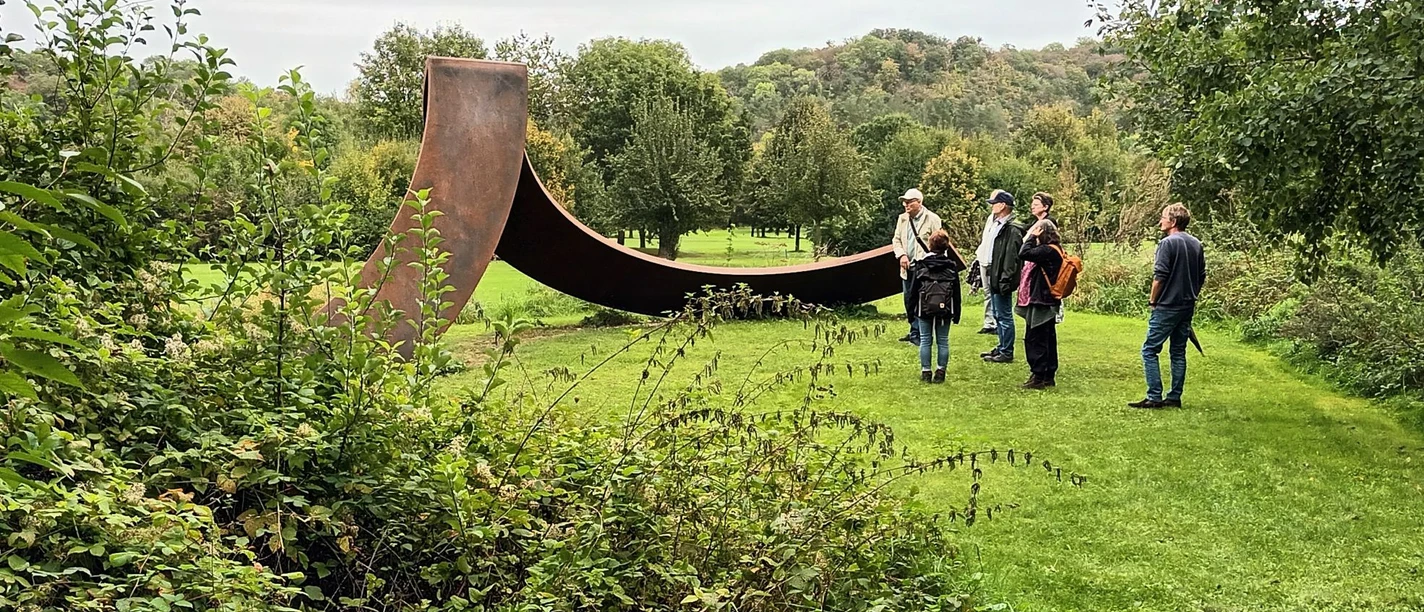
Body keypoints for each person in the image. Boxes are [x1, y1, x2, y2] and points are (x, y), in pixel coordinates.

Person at [1129, 204, 1207, 409]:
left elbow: (1159, 277)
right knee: (1178, 351)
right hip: (1187, 305)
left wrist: (1153, 300)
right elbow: (1201, 276)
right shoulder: (1196, 243)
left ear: (1173, 222)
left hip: (1167, 305)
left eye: (1163, 217)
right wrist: (1191, 294)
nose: (1160, 221)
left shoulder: (1167, 243)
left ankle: (1154, 396)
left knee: (1149, 350)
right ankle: (1174, 396)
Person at [908, 230, 965, 383]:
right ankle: (941, 371)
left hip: (923, 309)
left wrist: (910, 312)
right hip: (944, 309)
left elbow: (912, 291)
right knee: (943, 340)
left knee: (925, 340)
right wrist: (957, 312)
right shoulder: (951, 266)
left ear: (930, 245)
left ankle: (926, 371)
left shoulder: (921, 265)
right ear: (946, 247)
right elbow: (956, 293)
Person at [976, 190, 1026, 363]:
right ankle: (1001, 346)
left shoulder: (1011, 229)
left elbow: (1012, 258)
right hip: (993, 272)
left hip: (1001, 275)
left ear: (1003, 205)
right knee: (997, 313)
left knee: (1004, 315)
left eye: (994, 203)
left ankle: (1006, 350)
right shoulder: (997, 224)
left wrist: (1006, 278)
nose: (992, 206)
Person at [1016, 219, 1065, 389]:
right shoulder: (1056, 250)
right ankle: (1048, 375)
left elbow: (1023, 253)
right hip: (1048, 300)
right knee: (1048, 338)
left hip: (1041, 300)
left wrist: (1030, 238)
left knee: (1035, 338)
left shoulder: (1046, 250)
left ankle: (1038, 375)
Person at [892, 188, 942, 345]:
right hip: (907, 268)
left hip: (925, 269)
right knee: (909, 300)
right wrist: (901, 255)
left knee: (924, 301)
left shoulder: (932, 218)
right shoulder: (902, 219)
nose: (905, 205)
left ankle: (922, 333)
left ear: (919, 202)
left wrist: (935, 266)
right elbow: (896, 239)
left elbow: (939, 243)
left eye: (909, 202)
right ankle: (914, 330)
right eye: (904, 202)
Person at [1029, 192, 1067, 325]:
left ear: (1045, 207)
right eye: (1032, 204)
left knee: (1048, 288)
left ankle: (1049, 319)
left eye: (1036, 205)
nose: (1032, 207)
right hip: (1038, 258)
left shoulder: (1048, 222)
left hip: (1045, 259)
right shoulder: (1037, 222)